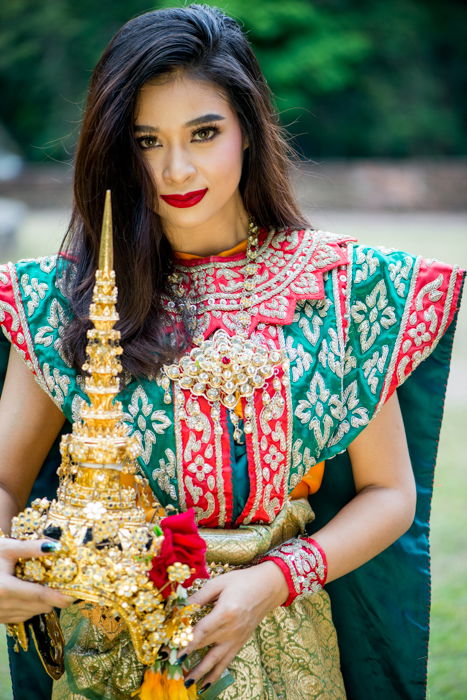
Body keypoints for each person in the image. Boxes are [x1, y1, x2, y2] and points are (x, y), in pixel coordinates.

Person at [0, 5, 464, 699]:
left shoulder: (338, 291)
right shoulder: (64, 299)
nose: (175, 168)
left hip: (283, 648)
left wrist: (271, 581)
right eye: (145, 140)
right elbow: (7, 480)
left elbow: (389, 492)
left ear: (248, 130)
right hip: (108, 655)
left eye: (204, 132)